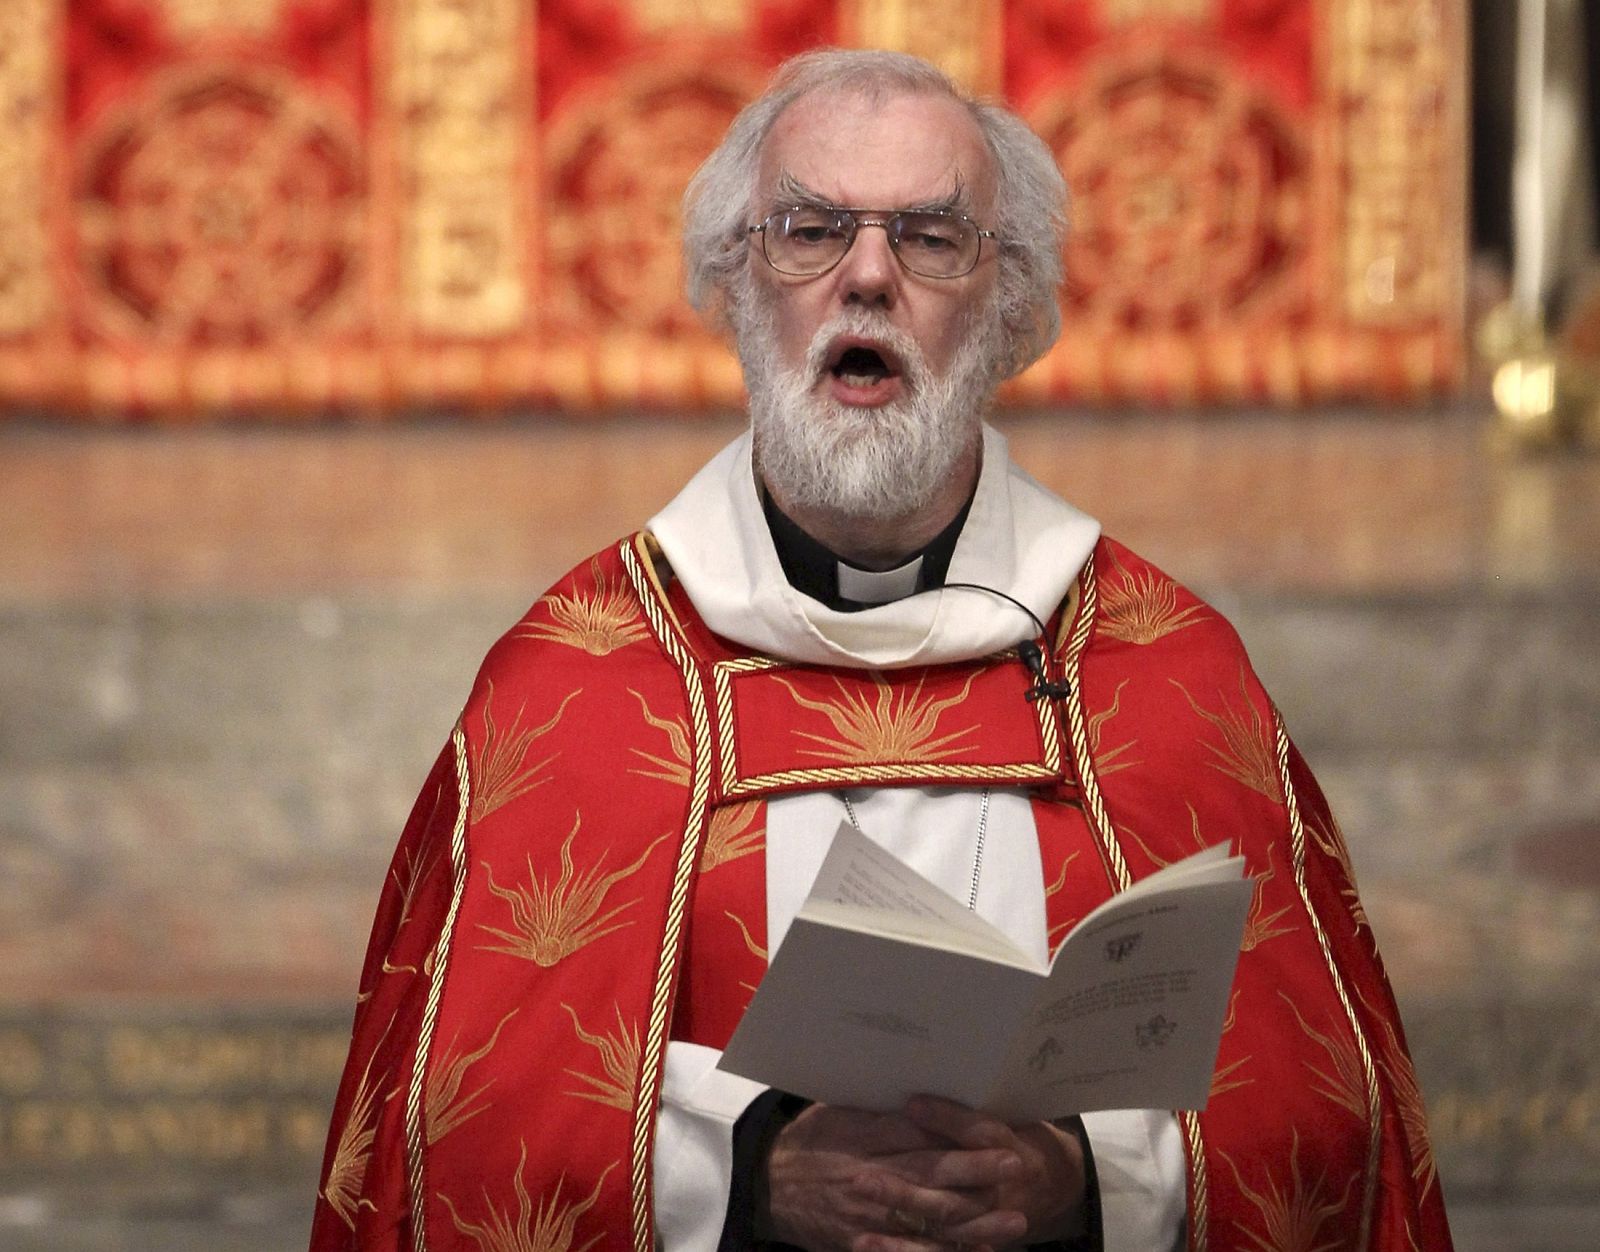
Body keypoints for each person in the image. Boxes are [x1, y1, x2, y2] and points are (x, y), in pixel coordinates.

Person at [309, 49, 1453, 1252]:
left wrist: (1085, 1177)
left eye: (930, 237)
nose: (866, 277)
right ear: (735, 283)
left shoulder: (1169, 676)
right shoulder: (569, 690)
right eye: (809, 232)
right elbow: (452, 1129)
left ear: (1009, 303)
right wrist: (750, 1170)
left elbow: (1330, 1121)